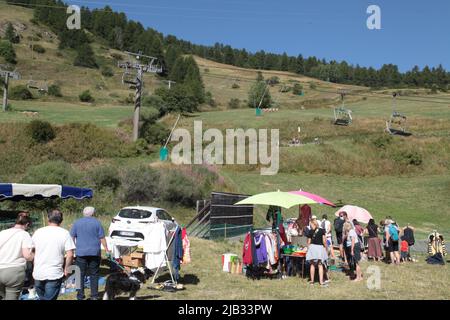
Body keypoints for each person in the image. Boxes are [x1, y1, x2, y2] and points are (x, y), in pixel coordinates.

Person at [32, 209, 75, 300]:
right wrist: (67, 269)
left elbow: (31, 251)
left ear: (48, 219)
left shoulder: (38, 232)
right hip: (54, 273)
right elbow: (70, 254)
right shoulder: (65, 233)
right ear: (61, 220)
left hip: (38, 272)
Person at [70, 207, 110, 300]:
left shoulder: (77, 222)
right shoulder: (97, 222)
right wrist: (107, 250)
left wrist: (73, 248)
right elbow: (102, 238)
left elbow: (72, 236)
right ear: (93, 213)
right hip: (94, 252)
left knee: (80, 274)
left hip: (81, 252)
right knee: (94, 274)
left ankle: (80, 295)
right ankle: (94, 295)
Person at [0, 212, 34, 300]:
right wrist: (35, 255)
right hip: (14, 271)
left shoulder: (2, 232)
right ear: (27, 224)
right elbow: (27, 256)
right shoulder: (24, 234)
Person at [305, 220, 328, 287]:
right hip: (320, 248)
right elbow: (324, 241)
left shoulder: (310, 231)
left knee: (312, 265)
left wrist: (308, 249)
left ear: (313, 224)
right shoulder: (322, 230)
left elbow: (308, 242)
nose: (310, 226)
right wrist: (326, 248)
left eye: (310, 224)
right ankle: (321, 282)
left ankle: (312, 281)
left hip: (312, 248)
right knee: (320, 265)